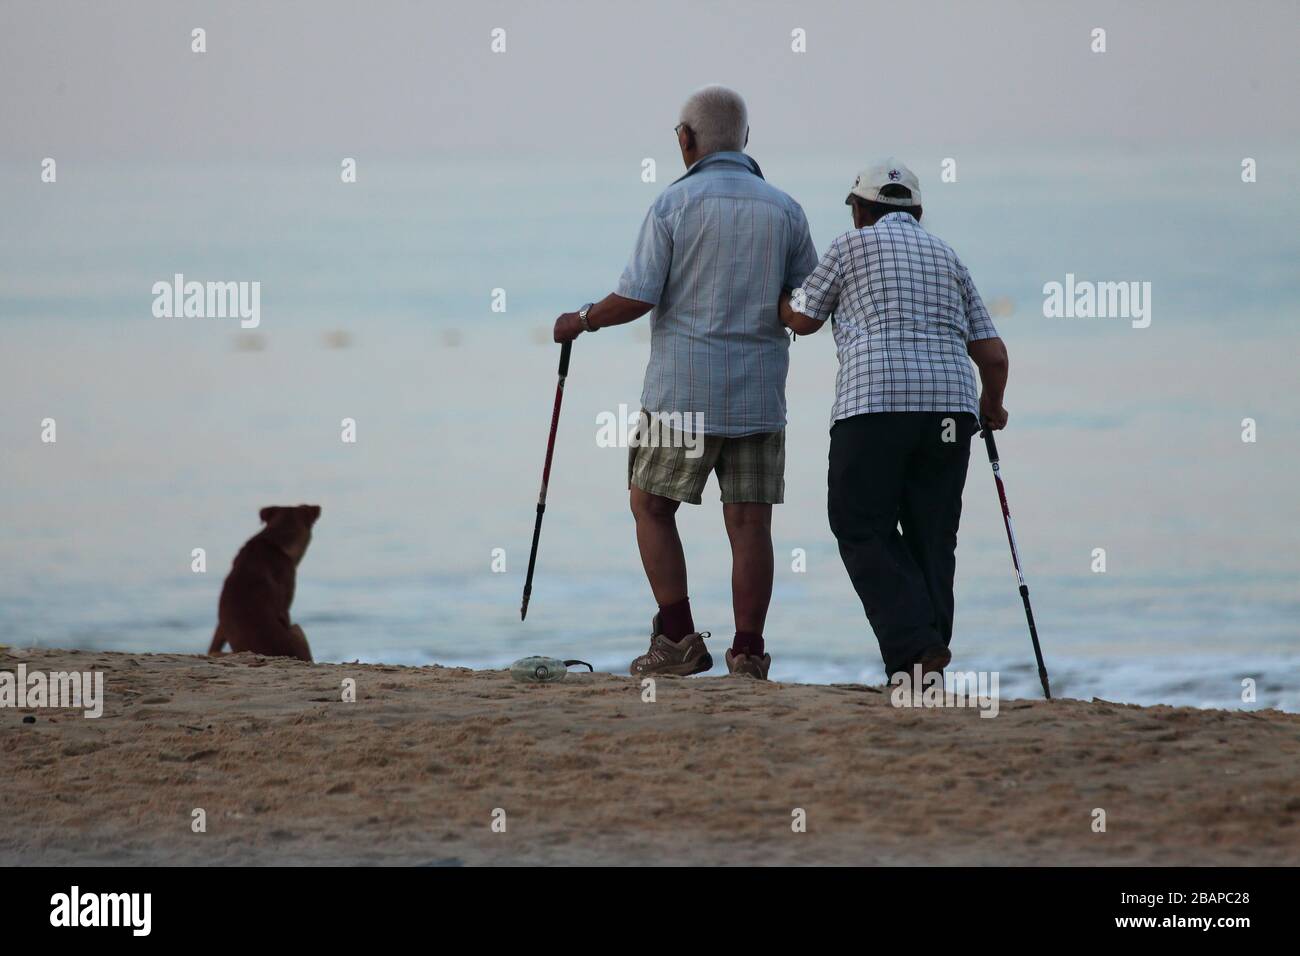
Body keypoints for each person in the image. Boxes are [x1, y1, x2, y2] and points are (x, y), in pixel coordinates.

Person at [553, 86, 818, 679]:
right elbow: (805, 300)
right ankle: (747, 653)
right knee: (750, 524)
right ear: (745, 140)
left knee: (650, 506)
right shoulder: (786, 209)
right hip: (758, 394)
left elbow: (638, 297)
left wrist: (583, 319)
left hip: (683, 397)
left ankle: (677, 639)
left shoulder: (673, 206)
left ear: (686, 140)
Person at [779, 159, 1010, 681]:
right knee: (933, 534)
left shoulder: (848, 245)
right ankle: (923, 666)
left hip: (873, 405)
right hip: (950, 414)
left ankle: (915, 645)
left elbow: (804, 319)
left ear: (859, 211)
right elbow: (993, 356)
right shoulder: (948, 257)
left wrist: (777, 304)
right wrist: (992, 407)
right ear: (919, 212)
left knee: (860, 526)